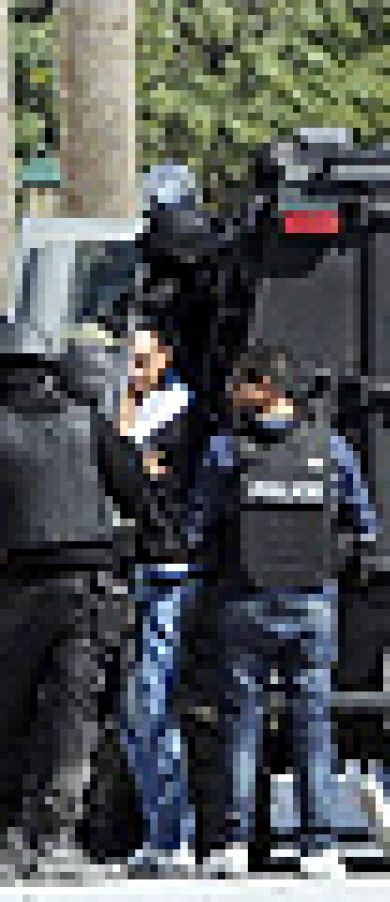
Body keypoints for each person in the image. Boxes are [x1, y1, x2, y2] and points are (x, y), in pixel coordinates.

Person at [186, 346, 382, 879]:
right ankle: (319, 844)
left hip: (244, 599)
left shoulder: (227, 451)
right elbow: (364, 524)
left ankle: (232, 842)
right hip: (313, 599)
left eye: (240, 383)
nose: (231, 394)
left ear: (266, 387)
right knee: (312, 726)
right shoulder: (332, 447)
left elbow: (198, 526)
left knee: (240, 725)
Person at [0, 322, 179, 879]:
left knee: (10, 715)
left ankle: (9, 836)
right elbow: (142, 501)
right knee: (72, 717)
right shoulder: (89, 425)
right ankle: (51, 838)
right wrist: (153, 544)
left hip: (15, 593)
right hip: (90, 592)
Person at [116, 327, 202, 876]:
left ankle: (173, 834)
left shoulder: (179, 412)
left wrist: (128, 437)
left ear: (165, 358)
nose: (133, 370)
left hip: (167, 570)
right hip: (135, 567)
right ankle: (160, 829)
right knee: (134, 711)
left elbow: (133, 473)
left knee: (153, 702)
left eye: (142, 360)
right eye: (126, 359)